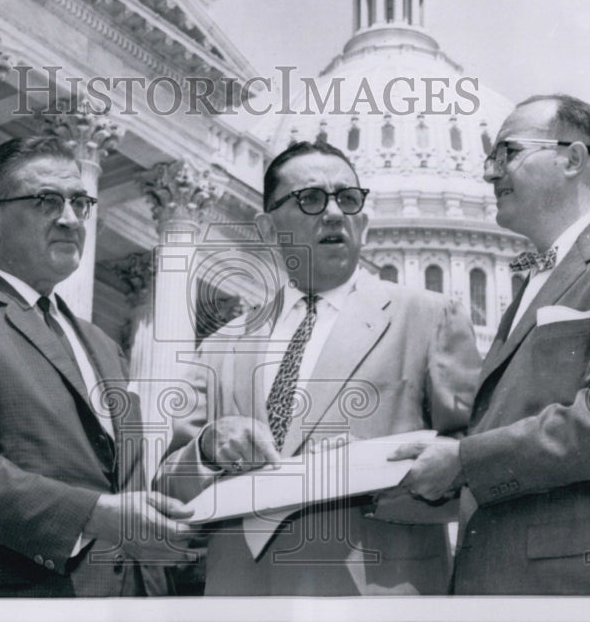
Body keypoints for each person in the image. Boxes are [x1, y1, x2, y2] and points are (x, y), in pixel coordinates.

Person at [390, 95, 590, 594]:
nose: (490, 174)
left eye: (507, 153)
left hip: (587, 590)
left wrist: (466, 461)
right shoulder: (533, 285)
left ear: (573, 159)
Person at [154, 140, 482, 596]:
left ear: (363, 222)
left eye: (347, 199)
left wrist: (373, 470)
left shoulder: (428, 317)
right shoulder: (221, 345)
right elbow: (168, 488)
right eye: (310, 199)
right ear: (268, 229)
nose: (333, 213)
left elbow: (479, 458)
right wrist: (208, 448)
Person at [0, 136, 194, 597]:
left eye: (80, 202)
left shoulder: (102, 345)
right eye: (47, 201)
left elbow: (125, 479)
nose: (70, 219)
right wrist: (92, 515)